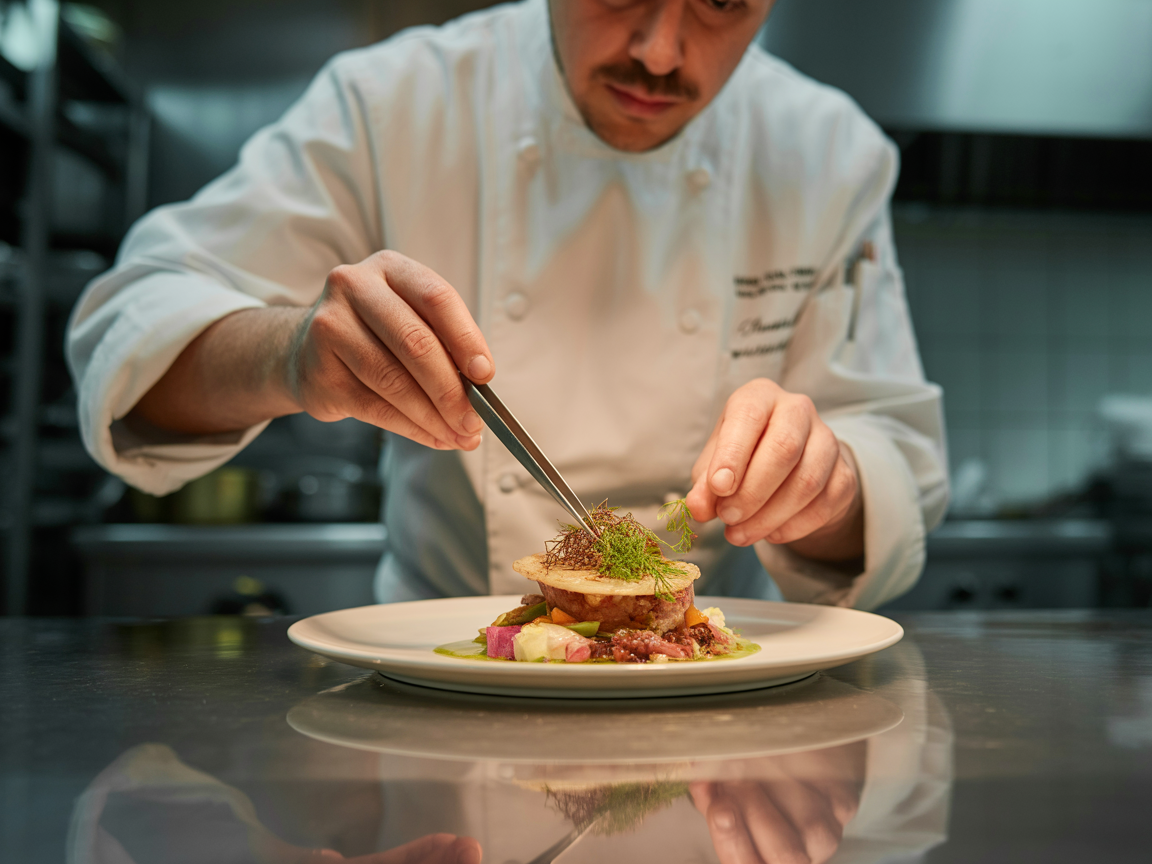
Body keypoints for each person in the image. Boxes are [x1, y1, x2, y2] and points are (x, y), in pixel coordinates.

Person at [67, 0, 947, 608]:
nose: (660, 51)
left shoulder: (829, 153)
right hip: (437, 692)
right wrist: (290, 356)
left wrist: (824, 487)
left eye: (721, 3)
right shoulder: (393, 102)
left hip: (719, 711)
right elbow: (132, 324)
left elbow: (892, 459)